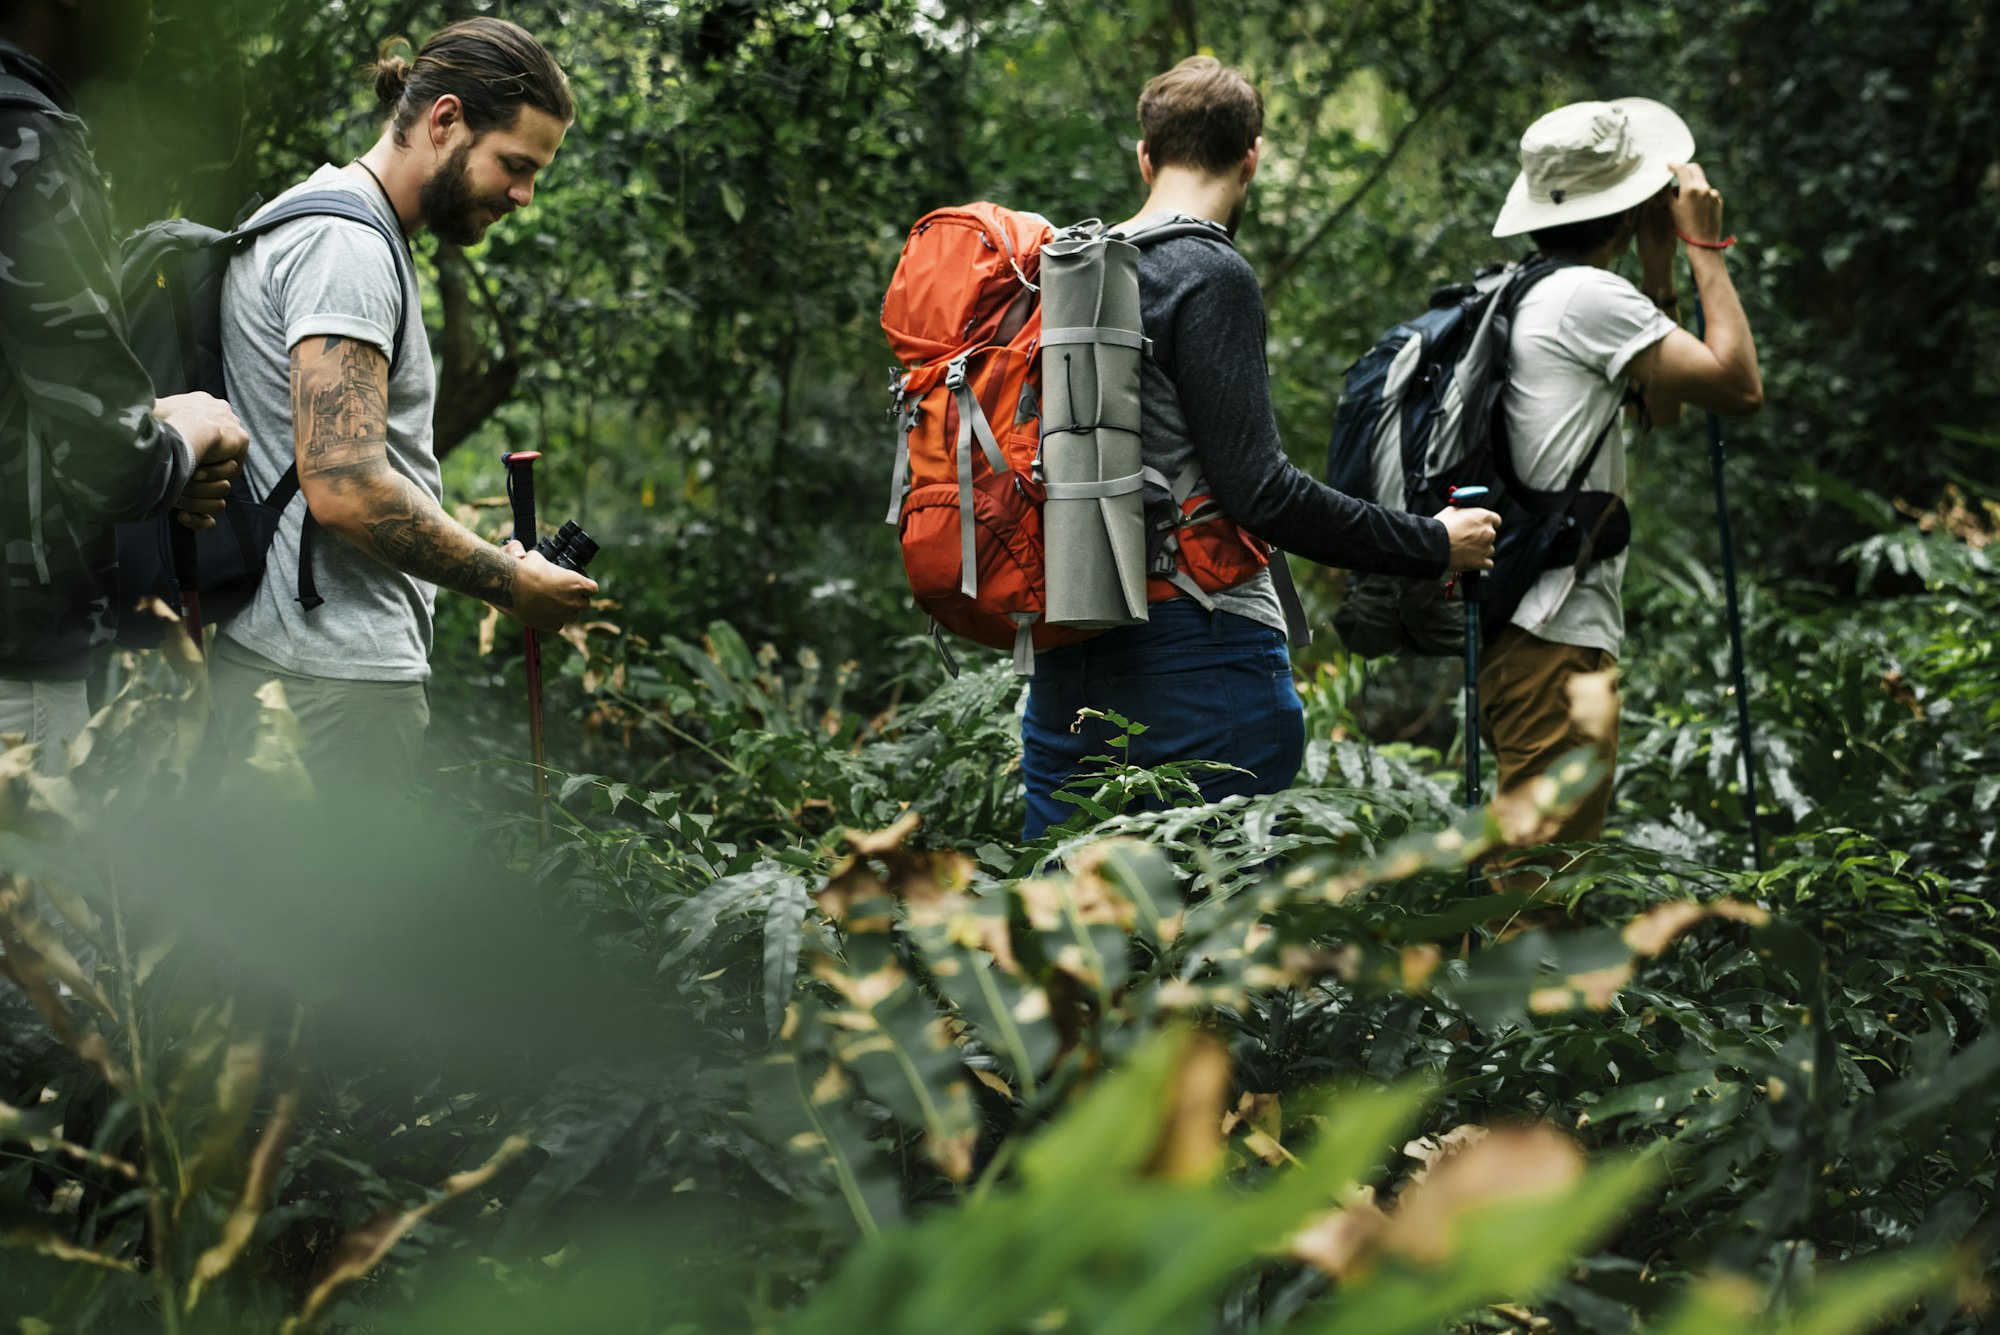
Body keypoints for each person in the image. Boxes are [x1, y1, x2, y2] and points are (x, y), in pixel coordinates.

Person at [1019, 56, 1501, 840]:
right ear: (1252, 156)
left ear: (1145, 156)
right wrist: (1431, 544)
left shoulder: (1070, 270)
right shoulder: (1209, 274)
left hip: (1064, 648)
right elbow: (1263, 492)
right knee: (1220, 936)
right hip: (1199, 654)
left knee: (1077, 934)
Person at [207, 18, 594, 796]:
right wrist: (508, 583)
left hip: (300, 666)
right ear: (444, 120)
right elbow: (345, 487)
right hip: (328, 682)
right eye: (515, 165)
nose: (524, 195)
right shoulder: (344, 248)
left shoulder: (340, 225)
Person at [1481, 98, 1762, 852]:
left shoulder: (1537, 289)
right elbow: (1738, 385)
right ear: (1627, 204)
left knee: (1540, 884)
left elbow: (1660, 411)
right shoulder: (1586, 297)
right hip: (1554, 637)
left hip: (1533, 633)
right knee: (1535, 899)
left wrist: (1659, 267)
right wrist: (1706, 245)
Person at [0, 0, 249, 775]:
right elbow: (112, 465)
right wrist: (195, 428)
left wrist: (147, 416)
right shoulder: (29, 145)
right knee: (42, 897)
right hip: (18, 661)